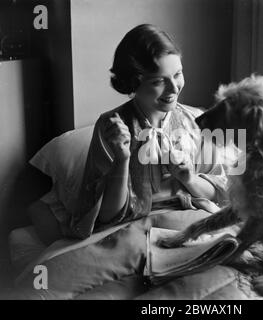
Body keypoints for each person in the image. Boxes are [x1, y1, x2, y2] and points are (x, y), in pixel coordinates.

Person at [29, 24, 228, 243]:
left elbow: (221, 194)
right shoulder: (111, 126)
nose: (174, 88)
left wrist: (189, 178)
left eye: (178, 74)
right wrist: (122, 160)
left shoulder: (195, 120)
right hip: (134, 228)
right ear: (133, 83)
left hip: (191, 219)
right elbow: (107, 216)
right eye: (158, 81)